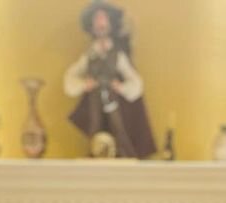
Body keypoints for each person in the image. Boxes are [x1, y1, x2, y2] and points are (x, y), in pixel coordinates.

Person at [63, 1, 156, 159]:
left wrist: (121, 87)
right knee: (94, 127)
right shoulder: (90, 54)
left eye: (103, 19)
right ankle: (95, 154)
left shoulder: (117, 54)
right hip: (94, 99)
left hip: (113, 100)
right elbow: (71, 76)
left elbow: (134, 80)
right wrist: (84, 85)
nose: (100, 23)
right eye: (97, 20)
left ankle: (125, 154)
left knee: (118, 127)